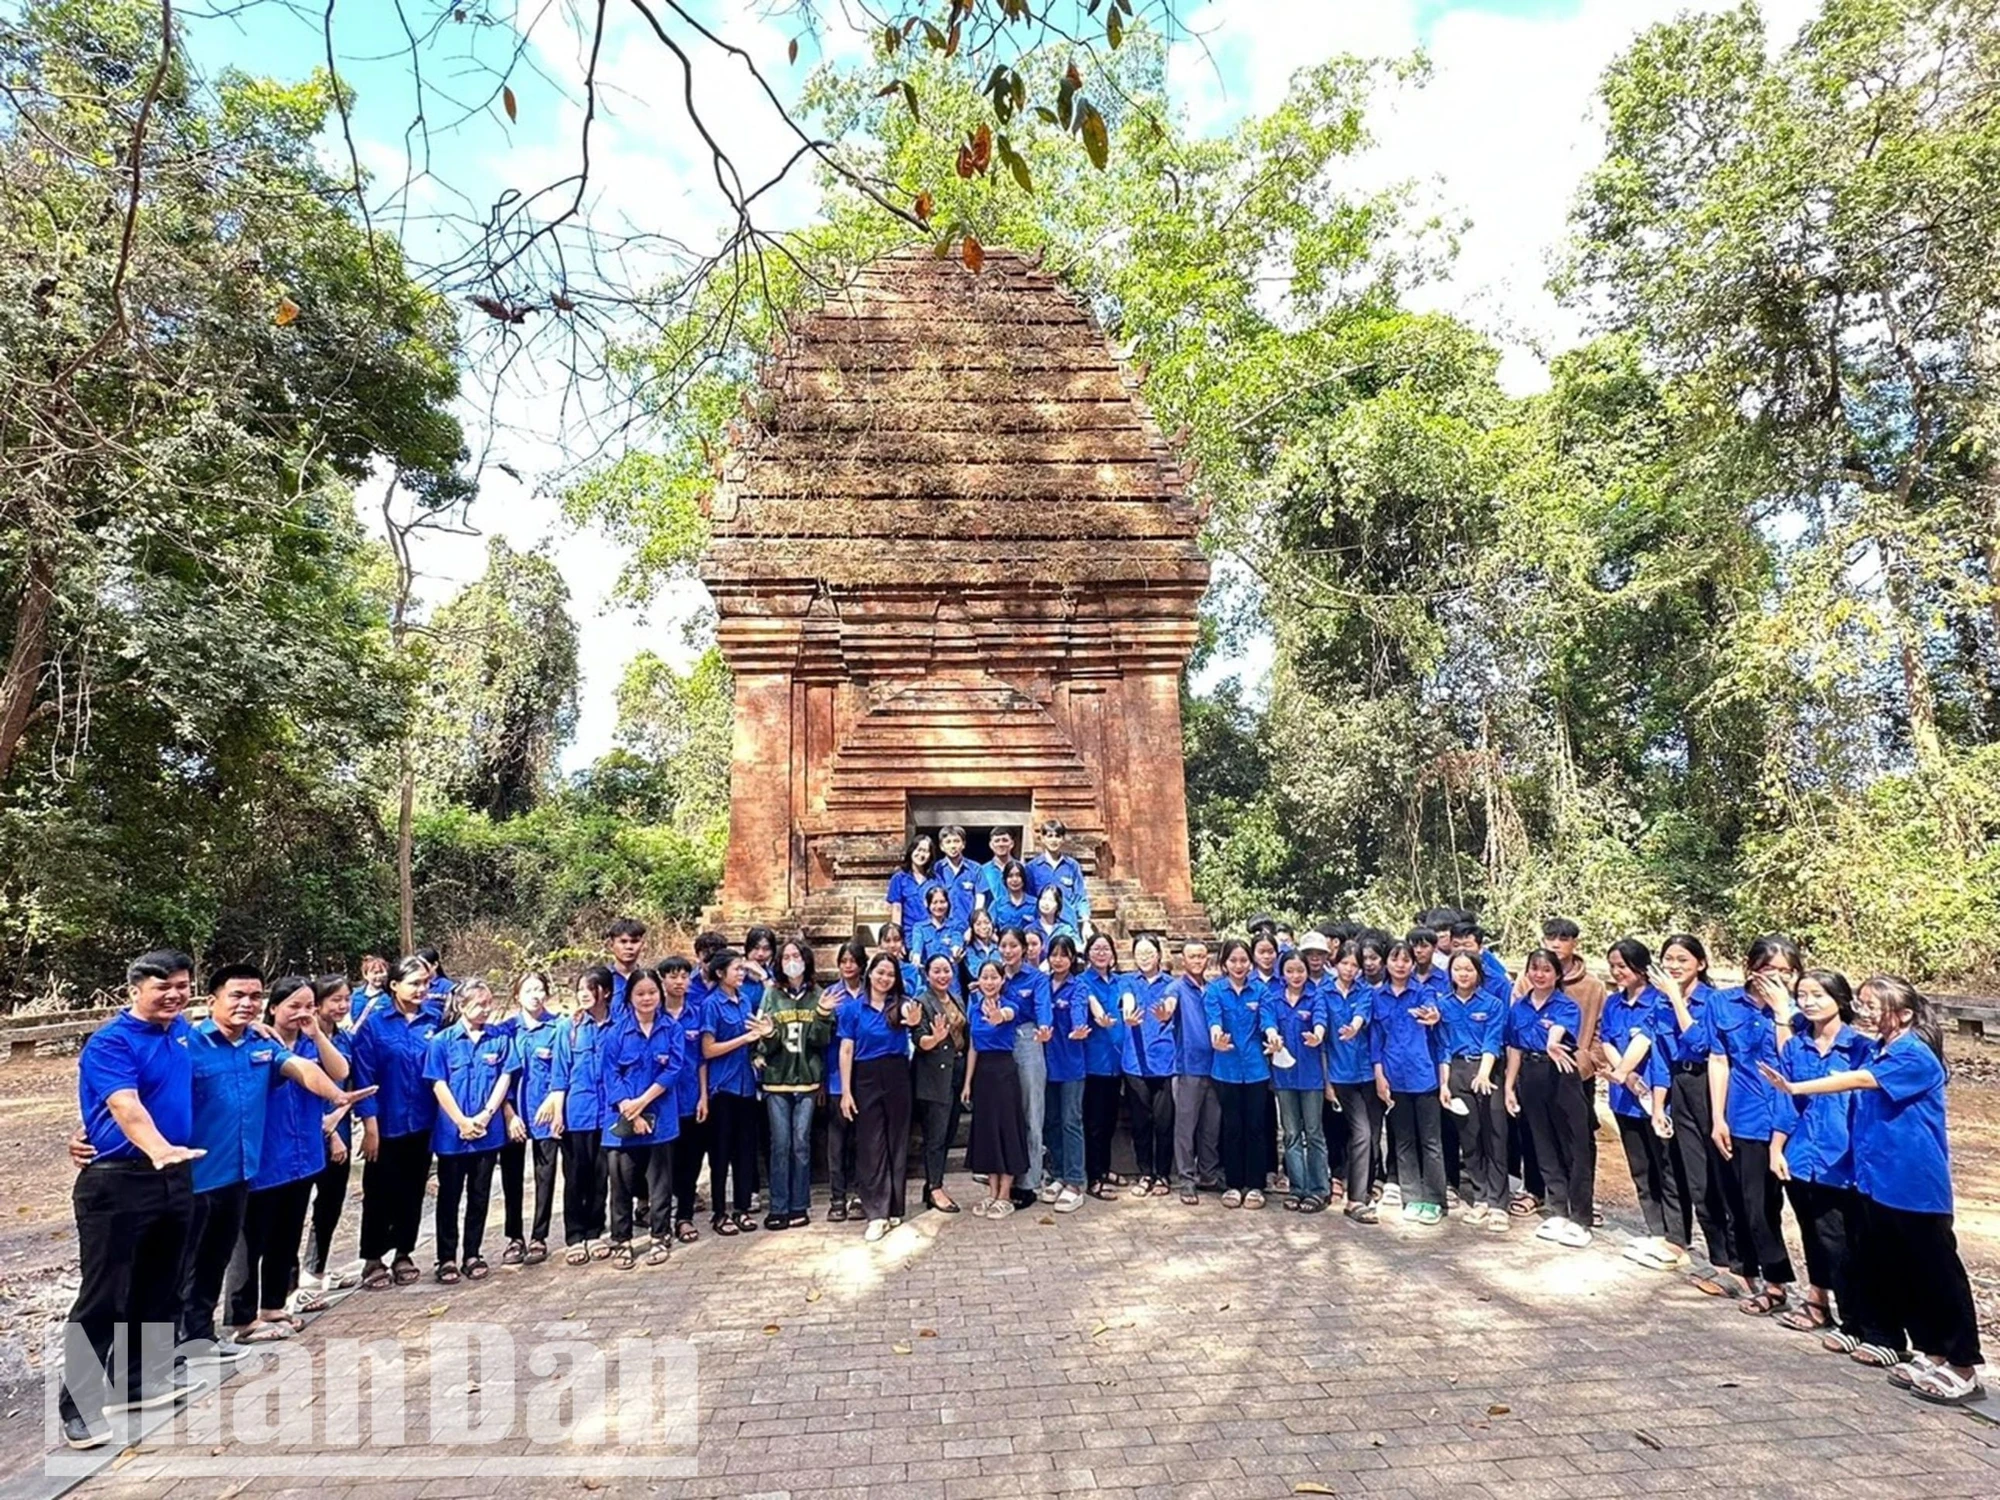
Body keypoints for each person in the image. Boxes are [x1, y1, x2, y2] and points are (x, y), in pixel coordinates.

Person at [1760, 976, 1984, 1404]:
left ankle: (1963, 1366)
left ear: (1903, 1014)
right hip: (1877, 1182)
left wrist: (1795, 1087)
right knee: (1902, 1272)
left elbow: (1859, 1080)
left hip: (1914, 1185)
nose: (1864, 1013)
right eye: (1861, 1004)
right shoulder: (1883, 1047)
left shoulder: (1913, 1055)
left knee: (1939, 1277)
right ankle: (1931, 1352)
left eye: (1872, 1006)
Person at [59, 951, 211, 1450]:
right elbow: (125, 1106)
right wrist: (159, 1149)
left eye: (182, 985)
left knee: (161, 1286)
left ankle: (138, 1381)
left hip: (174, 1178)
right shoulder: (110, 1041)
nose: (173, 994)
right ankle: (78, 1407)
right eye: (161, 986)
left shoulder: (181, 1032)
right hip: (118, 1181)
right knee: (105, 1294)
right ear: (134, 989)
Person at [183, 965, 369, 1356]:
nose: (247, 1003)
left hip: (248, 1169)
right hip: (201, 1173)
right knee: (188, 1264)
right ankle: (223, 1327)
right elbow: (137, 1095)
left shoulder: (260, 1045)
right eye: (237, 996)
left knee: (234, 1252)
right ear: (211, 1000)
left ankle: (219, 1333)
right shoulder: (184, 1044)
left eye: (254, 996)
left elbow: (304, 1069)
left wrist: (336, 1095)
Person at [226, 976, 352, 1345]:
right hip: (265, 1156)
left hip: (304, 1155)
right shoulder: (257, 1042)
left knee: (286, 1235)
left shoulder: (315, 1043)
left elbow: (341, 1073)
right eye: (293, 1006)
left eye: (308, 1006)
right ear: (273, 1007)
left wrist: (316, 1033)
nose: (301, 1013)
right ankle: (241, 1317)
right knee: (251, 1241)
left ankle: (274, 1307)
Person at [1766, 969, 1871, 1339]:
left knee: (1845, 1240)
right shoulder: (1795, 1046)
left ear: (1841, 1000)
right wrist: (1777, 1148)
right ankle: (1818, 1303)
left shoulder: (1861, 1048)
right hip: (1801, 1157)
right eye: (1803, 996)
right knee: (1813, 1232)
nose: (1809, 1003)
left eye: (1818, 995)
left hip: (1844, 1161)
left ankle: (1857, 1322)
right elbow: (1787, 1100)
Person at [1708, 933, 1801, 1316]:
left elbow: (1794, 1061)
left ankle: (1823, 1298)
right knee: (1753, 1204)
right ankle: (1770, 1282)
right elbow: (1719, 1060)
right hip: (1745, 1117)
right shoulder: (1723, 1004)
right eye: (1770, 970)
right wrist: (1718, 1117)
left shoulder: (1804, 1009)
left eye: (1787, 972)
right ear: (1751, 969)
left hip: (1796, 1121)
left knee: (1815, 1216)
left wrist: (1784, 1013)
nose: (1778, 978)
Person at [351, 956, 446, 1290]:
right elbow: (363, 1075)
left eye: (425, 983)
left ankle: (403, 1252)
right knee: (379, 1192)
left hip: (422, 1122)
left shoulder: (433, 1020)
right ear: (393, 985)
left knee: (413, 1190)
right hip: (385, 1124)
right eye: (414, 983)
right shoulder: (374, 1025)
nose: (422, 989)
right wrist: (370, 1126)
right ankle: (373, 1259)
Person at [1653, 933, 1740, 1293]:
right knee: (1697, 1178)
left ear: (1700, 965)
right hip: (1681, 1086)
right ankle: (1718, 1260)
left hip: (1711, 1085)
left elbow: (1701, 1044)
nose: (1673, 966)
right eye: (1668, 959)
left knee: (1722, 1176)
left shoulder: (1714, 1001)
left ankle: (1739, 1264)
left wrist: (1676, 999)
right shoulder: (1660, 1003)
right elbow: (1661, 1054)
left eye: (1682, 960)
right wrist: (1659, 1104)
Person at [423, 978, 516, 1283]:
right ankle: (446, 1258)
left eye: (489, 1003)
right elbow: (438, 1083)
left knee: (480, 1195)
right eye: (479, 1004)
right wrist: (462, 1121)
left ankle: (472, 1253)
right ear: (461, 1005)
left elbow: (505, 1077)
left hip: (488, 1133)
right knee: (449, 1196)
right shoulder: (443, 1041)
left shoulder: (498, 1039)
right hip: (453, 1134)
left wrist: (487, 1115)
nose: (486, 1010)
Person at [1598, 939, 1682, 1270]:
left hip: (1655, 1097)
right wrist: (1624, 1078)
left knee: (1666, 1167)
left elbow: (1645, 1041)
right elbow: (1606, 1039)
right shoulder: (1613, 1003)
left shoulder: (1658, 1001)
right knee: (1640, 1167)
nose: (1617, 972)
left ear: (1640, 966)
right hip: (1624, 1097)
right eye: (1613, 966)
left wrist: (1626, 1073)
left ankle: (1676, 1236)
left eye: (1623, 966)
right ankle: (1654, 1230)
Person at [1503, 949, 1592, 1249]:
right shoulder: (1518, 1008)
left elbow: (1558, 1031)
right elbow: (1514, 1048)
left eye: (1546, 970)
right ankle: (1557, 1210)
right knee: (1542, 1144)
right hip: (1530, 1074)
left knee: (1573, 1145)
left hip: (1561, 1075)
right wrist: (1509, 1086)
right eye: (1534, 969)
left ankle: (1581, 1218)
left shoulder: (1566, 1006)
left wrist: (1553, 1044)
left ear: (1557, 974)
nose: (1539, 975)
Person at [599, 967, 687, 1269]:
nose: (647, 998)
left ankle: (660, 1236)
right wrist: (629, 1108)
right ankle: (621, 1240)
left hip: (659, 1116)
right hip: (622, 1121)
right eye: (640, 993)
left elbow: (674, 1068)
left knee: (660, 1182)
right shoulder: (616, 1032)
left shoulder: (671, 1029)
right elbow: (610, 1073)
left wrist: (642, 1102)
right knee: (621, 1183)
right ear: (630, 997)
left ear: (660, 995)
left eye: (652, 992)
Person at [840, 953, 921, 1241]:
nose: (885, 978)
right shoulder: (852, 1009)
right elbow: (846, 1050)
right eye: (880, 972)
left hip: (897, 1073)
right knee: (871, 1144)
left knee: (897, 1140)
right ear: (870, 973)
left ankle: (895, 1206)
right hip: (865, 1076)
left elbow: (912, 1018)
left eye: (890, 974)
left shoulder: (900, 1003)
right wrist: (846, 1091)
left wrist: (912, 1018)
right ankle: (876, 1213)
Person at [759, 938, 836, 1231]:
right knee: (780, 1144)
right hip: (776, 1081)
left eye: (796, 955)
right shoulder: (771, 996)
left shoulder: (819, 994)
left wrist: (824, 1015)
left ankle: (799, 1204)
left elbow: (820, 1041)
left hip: (806, 1081)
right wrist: (767, 1036)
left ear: (806, 960)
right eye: (786, 956)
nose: (791, 960)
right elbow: (767, 1043)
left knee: (801, 1144)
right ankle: (778, 1206)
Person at [1371, 941, 1448, 1225]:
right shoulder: (1377, 997)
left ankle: (1435, 1199)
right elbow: (1375, 1040)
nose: (1401, 964)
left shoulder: (1424, 991)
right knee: (1402, 1141)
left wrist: (1433, 1015)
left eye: (1406, 960)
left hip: (1424, 1076)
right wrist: (1379, 1076)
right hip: (1394, 1077)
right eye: (1395, 959)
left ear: (1413, 964)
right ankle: (1412, 1196)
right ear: (1386, 963)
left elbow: (1435, 1012)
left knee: (1430, 1141)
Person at [700, 948, 772, 1236]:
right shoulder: (711, 1004)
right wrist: (745, 1038)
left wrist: (759, 1042)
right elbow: (708, 1049)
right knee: (721, 1152)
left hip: (745, 1085)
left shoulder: (744, 1001)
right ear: (721, 973)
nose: (741, 973)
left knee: (746, 1151)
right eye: (736, 969)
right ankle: (720, 1212)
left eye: (742, 969)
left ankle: (741, 1208)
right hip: (722, 1088)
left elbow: (754, 1038)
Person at [547, 967, 615, 1263]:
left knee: (602, 1176)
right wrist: (557, 1112)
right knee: (576, 1176)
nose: (585, 994)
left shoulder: (619, 1025)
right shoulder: (569, 1028)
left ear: (607, 992)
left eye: (592, 988)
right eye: (580, 989)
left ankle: (595, 1231)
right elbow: (559, 1073)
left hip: (610, 1113)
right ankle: (575, 1235)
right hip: (577, 1113)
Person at [300, 975, 361, 1296]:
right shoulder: (298, 1040)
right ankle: (290, 1281)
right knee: (296, 1207)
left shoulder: (344, 1039)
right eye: (335, 999)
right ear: (318, 1003)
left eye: (346, 999)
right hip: (305, 1134)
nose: (342, 1006)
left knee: (331, 1202)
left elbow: (346, 1087)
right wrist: (330, 1132)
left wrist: (337, 1127)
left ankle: (316, 1268)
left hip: (338, 1127)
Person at [1437, 950, 1507, 1231]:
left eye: (1468, 969)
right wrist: (1444, 1083)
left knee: (1496, 1136)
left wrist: (1484, 1073)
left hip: (1488, 1071)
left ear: (1478, 972)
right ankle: (1481, 1198)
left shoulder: (1492, 1004)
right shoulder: (1443, 1005)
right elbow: (1442, 1047)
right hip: (1457, 1071)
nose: (1463, 974)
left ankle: (1499, 1204)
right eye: (1457, 969)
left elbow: (1493, 1041)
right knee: (1470, 1138)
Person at [497, 971, 560, 1266]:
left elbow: (563, 1070)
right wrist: (509, 1113)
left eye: (540, 989)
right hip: (513, 1116)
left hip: (546, 1113)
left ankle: (539, 1236)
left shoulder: (558, 1027)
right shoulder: (505, 1031)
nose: (535, 995)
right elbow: (499, 1078)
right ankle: (514, 1237)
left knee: (545, 1176)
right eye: (529, 990)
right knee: (511, 1178)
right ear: (517, 996)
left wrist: (552, 1100)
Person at [1206, 938, 1270, 1209]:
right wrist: (1216, 1037)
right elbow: (1214, 1020)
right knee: (1231, 1127)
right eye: (1233, 960)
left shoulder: (1261, 991)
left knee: (1256, 1127)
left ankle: (1255, 1186)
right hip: (1226, 1069)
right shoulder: (1215, 991)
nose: (1239, 965)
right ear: (1224, 963)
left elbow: (1268, 1020)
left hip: (1256, 1069)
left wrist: (1273, 1035)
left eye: (1243, 960)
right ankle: (1233, 1184)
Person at [963, 957, 1030, 1217]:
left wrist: (998, 1015)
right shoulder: (973, 1008)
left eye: (994, 977)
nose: (989, 982)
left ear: (1002, 981)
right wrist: (968, 1082)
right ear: (978, 981)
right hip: (983, 1075)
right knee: (988, 1133)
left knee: (1007, 1130)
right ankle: (991, 1193)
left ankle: (1006, 1194)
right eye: (985, 977)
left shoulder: (1011, 1005)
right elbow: (972, 1046)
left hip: (1004, 1073)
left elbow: (1006, 1015)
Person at [1265, 949, 1329, 1213]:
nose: (1295, 975)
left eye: (1300, 970)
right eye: (1290, 970)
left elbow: (1321, 1020)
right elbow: (1267, 1022)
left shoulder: (1316, 996)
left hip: (1312, 1077)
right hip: (1284, 1077)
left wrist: (1318, 1034)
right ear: (1282, 972)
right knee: (1290, 1134)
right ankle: (1297, 1187)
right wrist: (1272, 1035)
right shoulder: (1273, 998)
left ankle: (1318, 1189)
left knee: (1313, 1133)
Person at [1323, 940, 1381, 1221]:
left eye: (1354, 965)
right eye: (1344, 963)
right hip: (1340, 1074)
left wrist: (1354, 1028)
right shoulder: (1323, 993)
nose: (1349, 969)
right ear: (1335, 965)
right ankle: (1355, 1199)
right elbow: (1321, 1036)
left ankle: (1362, 1190)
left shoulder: (1366, 992)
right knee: (1361, 1133)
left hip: (1367, 1073)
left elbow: (1362, 1016)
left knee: (1368, 1135)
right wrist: (1327, 1082)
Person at [1119, 936, 1177, 1198]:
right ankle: (1145, 1173)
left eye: (1149, 952)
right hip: (1135, 1064)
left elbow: (1171, 1004)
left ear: (1159, 954)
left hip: (1165, 1062)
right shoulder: (1128, 981)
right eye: (1139, 953)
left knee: (1164, 1123)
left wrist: (1166, 1013)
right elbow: (1128, 1000)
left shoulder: (1170, 983)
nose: (1145, 957)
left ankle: (1163, 1175)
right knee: (1141, 1122)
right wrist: (1128, 1016)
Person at [999, 927, 1053, 1207]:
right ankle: (1005, 1175)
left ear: (1024, 948)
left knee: (1031, 1111)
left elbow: (1044, 1007)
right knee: (1006, 1115)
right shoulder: (995, 974)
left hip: (1028, 1040)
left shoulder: (1037, 978)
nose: (1008, 951)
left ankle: (1030, 1181)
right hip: (998, 1046)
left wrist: (1045, 1026)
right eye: (1003, 946)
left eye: (1013, 946)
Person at [658, 957, 709, 1241]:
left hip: (690, 1097)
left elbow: (702, 1059)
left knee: (690, 1161)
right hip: (662, 1101)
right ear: (662, 980)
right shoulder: (653, 1014)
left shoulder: (697, 1012)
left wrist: (703, 1095)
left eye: (684, 976)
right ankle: (661, 1220)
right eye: (673, 976)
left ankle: (685, 1217)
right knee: (662, 1165)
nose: (679, 982)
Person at [913, 953, 968, 1214]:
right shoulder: (922, 1002)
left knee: (948, 1133)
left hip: (956, 1072)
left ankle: (933, 1183)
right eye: (937, 971)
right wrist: (935, 1039)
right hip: (933, 1075)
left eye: (946, 970)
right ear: (927, 974)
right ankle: (935, 1187)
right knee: (935, 1135)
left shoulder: (956, 998)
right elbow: (919, 1040)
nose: (942, 975)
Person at [1168, 939, 1220, 1205]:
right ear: (1183, 960)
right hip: (1188, 1067)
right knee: (1186, 1127)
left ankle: (1208, 1174)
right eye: (1192, 956)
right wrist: (1165, 1011)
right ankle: (1186, 1179)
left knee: (1211, 1126)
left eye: (1201, 956)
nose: (1198, 961)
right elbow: (1168, 1006)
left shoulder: (1213, 990)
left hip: (1216, 1067)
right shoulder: (1176, 987)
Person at [1041, 935, 1089, 1214]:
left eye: (1063, 955)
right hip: (1046, 1064)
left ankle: (1075, 1181)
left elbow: (1079, 1013)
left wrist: (1078, 1027)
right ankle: (1058, 1173)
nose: (1058, 959)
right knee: (1051, 1120)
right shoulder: (1043, 985)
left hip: (1071, 1064)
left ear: (1072, 958)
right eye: (1054, 954)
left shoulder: (1078, 986)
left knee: (1071, 1121)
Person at [820, 942, 867, 1222]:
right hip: (837, 1078)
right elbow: (822, 1040)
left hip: (865, 1075)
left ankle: (860, 1195)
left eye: (853, 960)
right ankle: (837, 1198)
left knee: (862, 1141)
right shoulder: (830, 994)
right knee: (837, 1142)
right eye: (843, 961)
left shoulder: (870, 993)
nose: (848, 965)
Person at [1025, 819, 1090, 933]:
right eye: (1050, 836)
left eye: (1057, 836)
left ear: (1063, 839)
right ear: (1043, 839)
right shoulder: (1032, 868)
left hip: (1068, 924)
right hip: (1040, 927)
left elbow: (1080, 897)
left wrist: (1086, 922)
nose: (1053, 840)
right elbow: (1028, 898)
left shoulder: (1072, 866)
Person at [886, 833, 940, 939]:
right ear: (911, 851)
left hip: (932, 935)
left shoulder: (935, 880)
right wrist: (897, 938)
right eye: (918, 850)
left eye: (925, 851)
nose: (921, 854)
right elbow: (896, 909)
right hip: (909, 935)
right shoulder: (899, 878)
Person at [932, 825, 984, 934]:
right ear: (942, 846)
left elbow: (980, 898)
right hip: (943, 928)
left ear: (963, 844)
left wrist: (974, 925)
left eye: (956, 841)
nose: (953, 846)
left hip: (968, 927)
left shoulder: (975, 868)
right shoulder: (936, 869)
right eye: (948, 842)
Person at [912, 884, 965, 969]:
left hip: (950, 976)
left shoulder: (956, 925)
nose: (939, 906)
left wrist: (956, 952)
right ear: (928, 904)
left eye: (942, 902)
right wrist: (916, 956)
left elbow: (957, 940)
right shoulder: (919, 928)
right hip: (928, 978)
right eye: (935, 902)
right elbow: (917, 947)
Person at [605, 918, 648, 1010]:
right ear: (611, 945)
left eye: (634, 941)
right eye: (623, 942)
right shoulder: (601, 979)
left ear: (643, 945)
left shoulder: (649, 980)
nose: (629, 947)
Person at [987, 859, 1037, 933]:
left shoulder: (1035, 904)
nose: (1014, 880)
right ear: (1005, 880)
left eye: (1018, 875)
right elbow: (988, 929)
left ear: (1023, 879)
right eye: (1010, 876)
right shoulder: (998, 904)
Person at [978, 827, 1019, 908]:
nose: (1001, 844)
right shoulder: (982, 871)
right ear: (991, 845)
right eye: (997, 841)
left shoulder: (1022, 869)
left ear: (1012, 844)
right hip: (991, 918)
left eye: (1005, 840)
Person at [347, 954, 389, 1028]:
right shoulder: (355, 994)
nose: (379, 976)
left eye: (381, 972)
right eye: (375, 973)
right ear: (365, 975)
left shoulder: (389, 997)